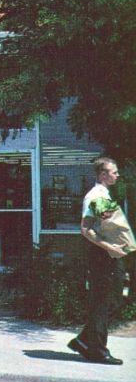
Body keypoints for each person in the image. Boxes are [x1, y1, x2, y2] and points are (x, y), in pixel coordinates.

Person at [68, 156, 128, 365]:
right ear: (103, 174)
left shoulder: (105, 194)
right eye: (114, 172)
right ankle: (97, 349)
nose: (117, 175)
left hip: (109, 254)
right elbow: (86, 229)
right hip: (101, 255)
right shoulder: (94, 196)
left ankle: (84, 340)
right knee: (103, 300)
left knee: (113, 298)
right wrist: (109, 247)